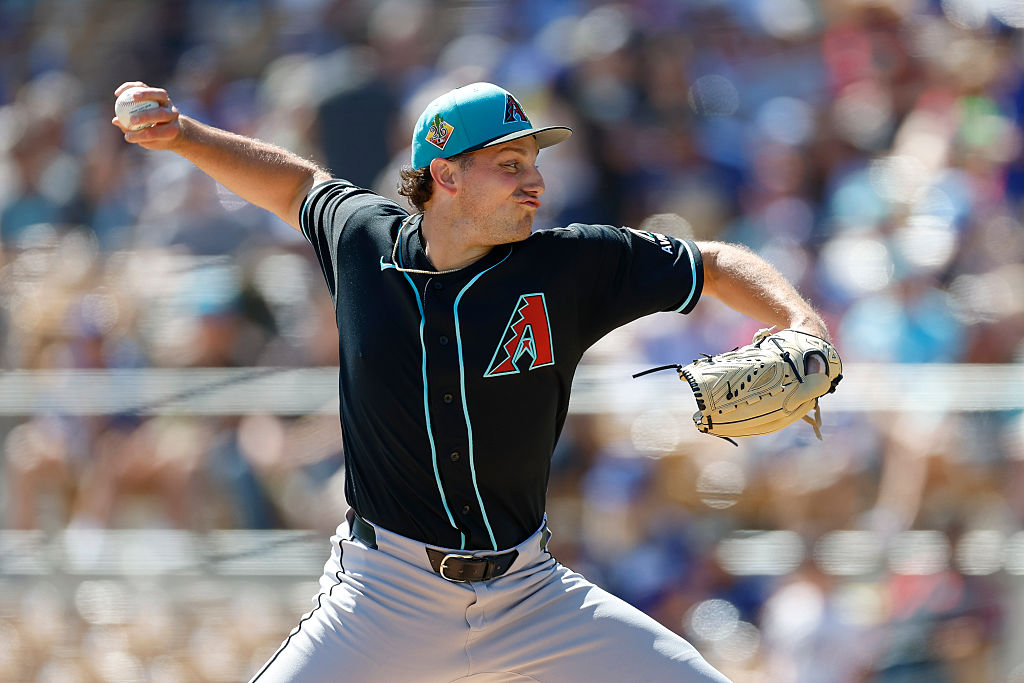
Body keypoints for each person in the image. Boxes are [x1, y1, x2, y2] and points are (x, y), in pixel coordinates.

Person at [113, 79, 832, 682]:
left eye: (533, 162)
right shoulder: (364, 241)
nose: (537, 181)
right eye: (510, 163)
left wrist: (801, 320)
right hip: (383, 594)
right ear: (445, 175)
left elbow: (710, 261)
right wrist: (184, 136)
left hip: (530, 592)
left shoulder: (568, 265)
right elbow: (297, 183)